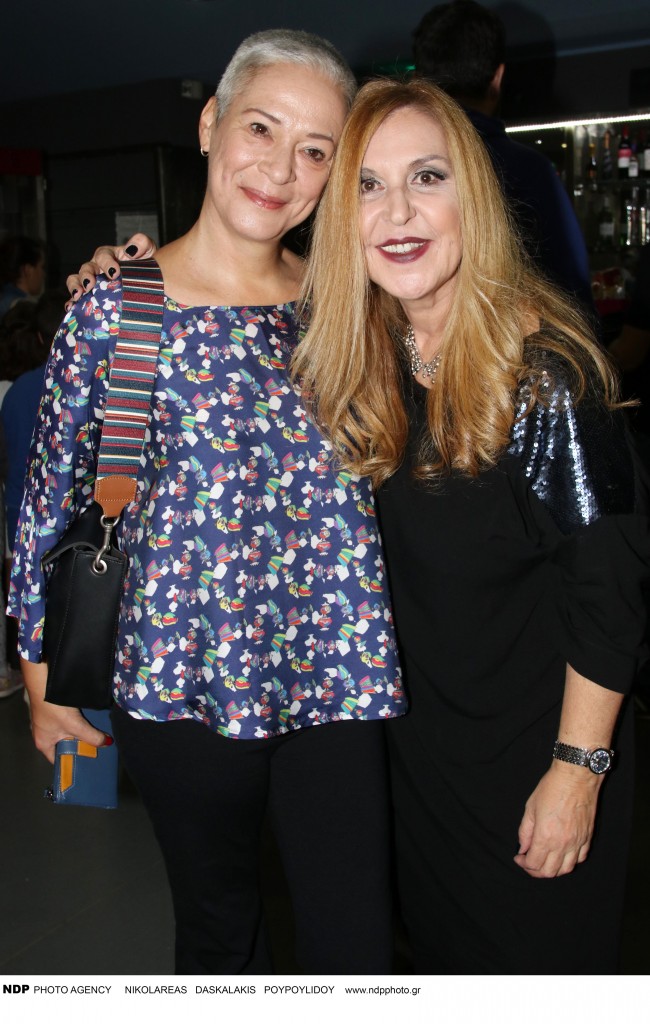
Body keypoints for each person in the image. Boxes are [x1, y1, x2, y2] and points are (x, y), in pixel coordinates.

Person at [9, 30, 405, 976]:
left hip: (336, 669)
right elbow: (46, 503)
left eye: (316, 150)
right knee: (221, 933)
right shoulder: (115, 308)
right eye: (260, 128)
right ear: (209, 124)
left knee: (357, 938)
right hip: (176, 676)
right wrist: (42, 683)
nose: (281, 168)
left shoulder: (349, 303)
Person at [292, 77, 650, 974]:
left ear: (473, 198)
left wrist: (576, 773)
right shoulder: (363, 358)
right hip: (419, 762)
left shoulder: (547, 379)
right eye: (367, 185)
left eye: (427, 177)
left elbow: (611, 596)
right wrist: (128, 270)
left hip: (535, 760)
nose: (397, 212)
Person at [412, 0, 594, 313]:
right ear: (497, 77)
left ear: (418, 81)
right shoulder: (532, 172)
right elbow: (574, 299)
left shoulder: (392, 170)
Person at [0, 236, 46, 320]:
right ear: (28, 270)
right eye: (42, 267)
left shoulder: (4, 299)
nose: (43, 274)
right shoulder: (23, 309)